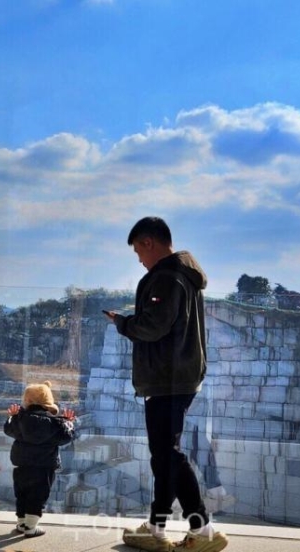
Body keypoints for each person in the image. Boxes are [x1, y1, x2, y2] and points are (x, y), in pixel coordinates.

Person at [104, 216, 228, 552]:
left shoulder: (165, 278)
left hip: (167, 377)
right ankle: (156, 528)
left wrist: (123, 323)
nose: (140, 261)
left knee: (168, 455)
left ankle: (201, 529)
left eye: (138, 253)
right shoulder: (184, 277)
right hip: (179, 376)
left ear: (148, 242)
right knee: (163, 456)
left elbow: (153, 327)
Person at [4, 380, 77, 538]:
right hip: (44, 468)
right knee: (38, 496)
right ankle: (31, 527)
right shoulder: (55, 424)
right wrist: (68, 423)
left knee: (22, 494)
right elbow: (67, 437)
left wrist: (11, 417)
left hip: (21, 466)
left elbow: (8, 430)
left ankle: (21, 523)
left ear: (27, 401)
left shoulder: (19, 420)